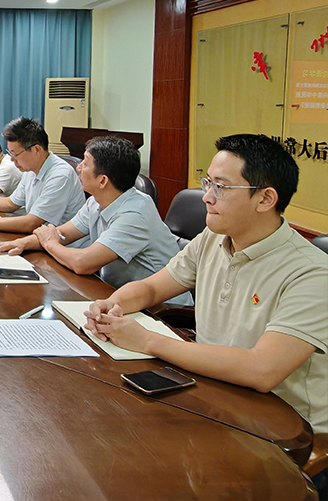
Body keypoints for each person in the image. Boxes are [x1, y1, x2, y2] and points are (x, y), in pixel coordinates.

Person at [84, 134, 326, 442]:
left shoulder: (312, 273)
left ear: (266, 199)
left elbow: (262, 370)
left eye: (220, 187)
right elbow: (152, 289)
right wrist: (112, 305)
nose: (206, 197)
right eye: (208, 183)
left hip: (286, 433)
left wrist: (147, 340)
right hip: (213, 395)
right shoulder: (213, 238)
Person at [0, 137, 190, 304]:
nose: (78, 167)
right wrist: (22, 243)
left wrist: (49, 243)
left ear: (102, 180)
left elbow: (83, 263)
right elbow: (63, 233)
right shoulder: (97, 201)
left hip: (162, 308)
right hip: (115, 293)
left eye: (85, 163)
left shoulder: (134, 214)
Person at [0, 117, 85, 234]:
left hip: (64, 246)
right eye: (10, 153)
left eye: (15, 154)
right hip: (40, 238)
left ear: (36, 149)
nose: (12, 159)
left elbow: (32, 223)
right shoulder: (30, 169)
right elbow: (11, 203)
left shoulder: (60, 175)